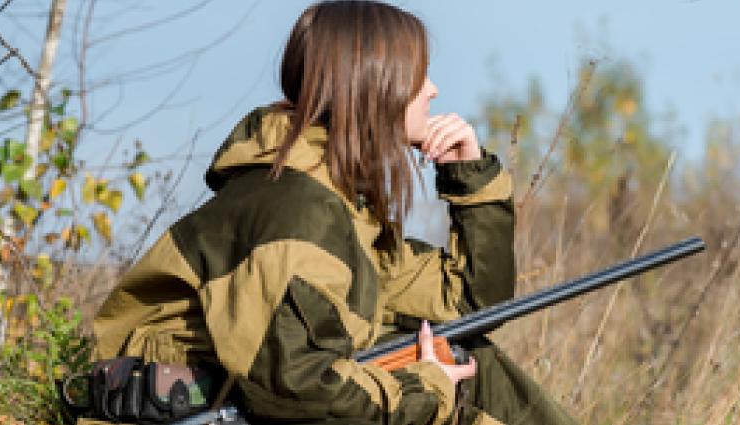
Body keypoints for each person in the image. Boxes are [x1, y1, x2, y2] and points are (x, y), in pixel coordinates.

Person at [86, 1, 577, 424]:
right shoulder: (295, 211)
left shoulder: (340, 210)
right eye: (418, 73)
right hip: (185, 411)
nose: (432, 89)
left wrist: (471, 180)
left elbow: (468, 306)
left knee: (466, 355)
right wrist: (426, 391)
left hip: (253, 400)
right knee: (445, 389)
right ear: (375, 84)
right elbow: (298, 391)